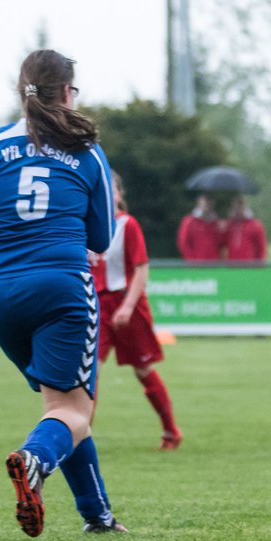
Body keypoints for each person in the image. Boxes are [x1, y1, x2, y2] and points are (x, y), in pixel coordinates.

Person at [0, 50, 126, 536]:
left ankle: (99, 517)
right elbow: (100, 239)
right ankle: (33, 459)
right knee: (72, 411)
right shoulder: (87, 150)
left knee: (62, 407)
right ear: (69, 92)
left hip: (2, 294)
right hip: (61, 288)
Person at [91, 172, 183, 450]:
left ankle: (170, 431)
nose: (107, 195)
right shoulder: (87, 226)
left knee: (143, 368)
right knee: (89, 371)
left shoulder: (127, 225)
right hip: (97, 307)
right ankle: (79, 438)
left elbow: (142, 268)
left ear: (120, 194)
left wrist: (128, 307)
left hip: (127, 305)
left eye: (112, 190)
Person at [177, 193, 224, 261]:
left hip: (214, 264)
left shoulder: (216, 223)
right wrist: (191, 261)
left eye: (210, 201)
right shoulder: (189, 221)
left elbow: (221, 243)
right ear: (199, 202)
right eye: (205, 201)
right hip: (197, 264)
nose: (208, 204)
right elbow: (183, 243)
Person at [224, 195, 267, 261]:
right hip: (232, 266)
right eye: (235, 205)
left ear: (245, 205)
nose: (238, 208)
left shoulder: (255, 225)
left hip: (249, 266)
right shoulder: (230, 225)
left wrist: (260, 265)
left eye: (240, 204)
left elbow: (261, 247)